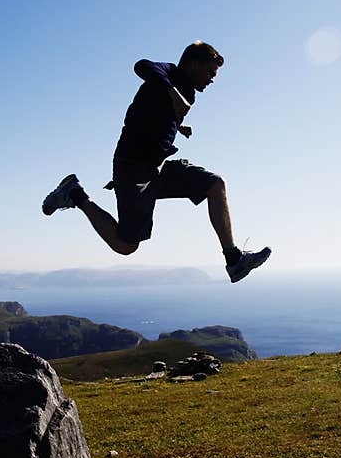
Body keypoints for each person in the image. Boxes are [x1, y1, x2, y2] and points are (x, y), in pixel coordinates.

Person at [42, 41, 271, 283]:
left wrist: (178, 124)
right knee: (126, 245)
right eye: (210, 72)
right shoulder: (166, 73)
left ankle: (234, 260)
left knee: (215, 184)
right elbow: (141, 65)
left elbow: (156, 112)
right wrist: (173, 95)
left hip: (159, 167)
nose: (212, 80)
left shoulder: (189, 92)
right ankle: (75, 194)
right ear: (194, 64)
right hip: (133, 169)